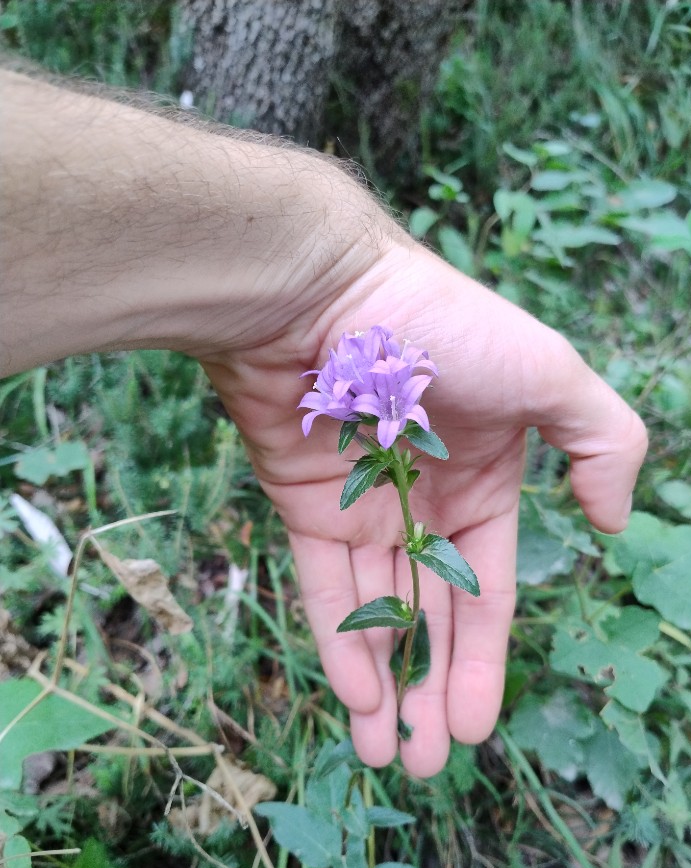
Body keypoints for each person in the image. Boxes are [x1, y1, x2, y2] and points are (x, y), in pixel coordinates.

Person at [0, 69, 647, 778]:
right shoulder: (368, 416)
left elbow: (395, 399)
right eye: (380, 408)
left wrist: (330, 287)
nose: (387, 408)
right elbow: (361, 403)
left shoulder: (396, 410)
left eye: (389, 406)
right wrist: (323, 283)